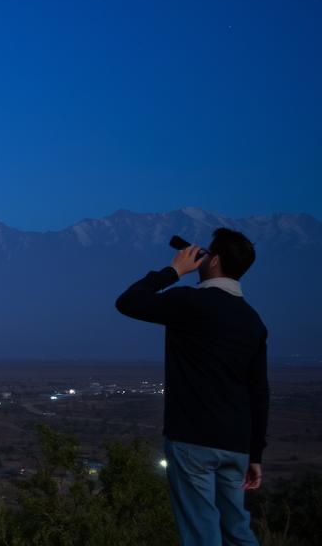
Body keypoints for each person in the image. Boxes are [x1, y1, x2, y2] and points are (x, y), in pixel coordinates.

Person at [116, 227, 268, 546]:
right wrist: (255, 453)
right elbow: (259, 392)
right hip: (237, 444)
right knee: (237, 530)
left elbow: (128, 302)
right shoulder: (253, 321)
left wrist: (173, 270)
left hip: (193, 440)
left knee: (201, 532)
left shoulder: (190, 302)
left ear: (213, 261)